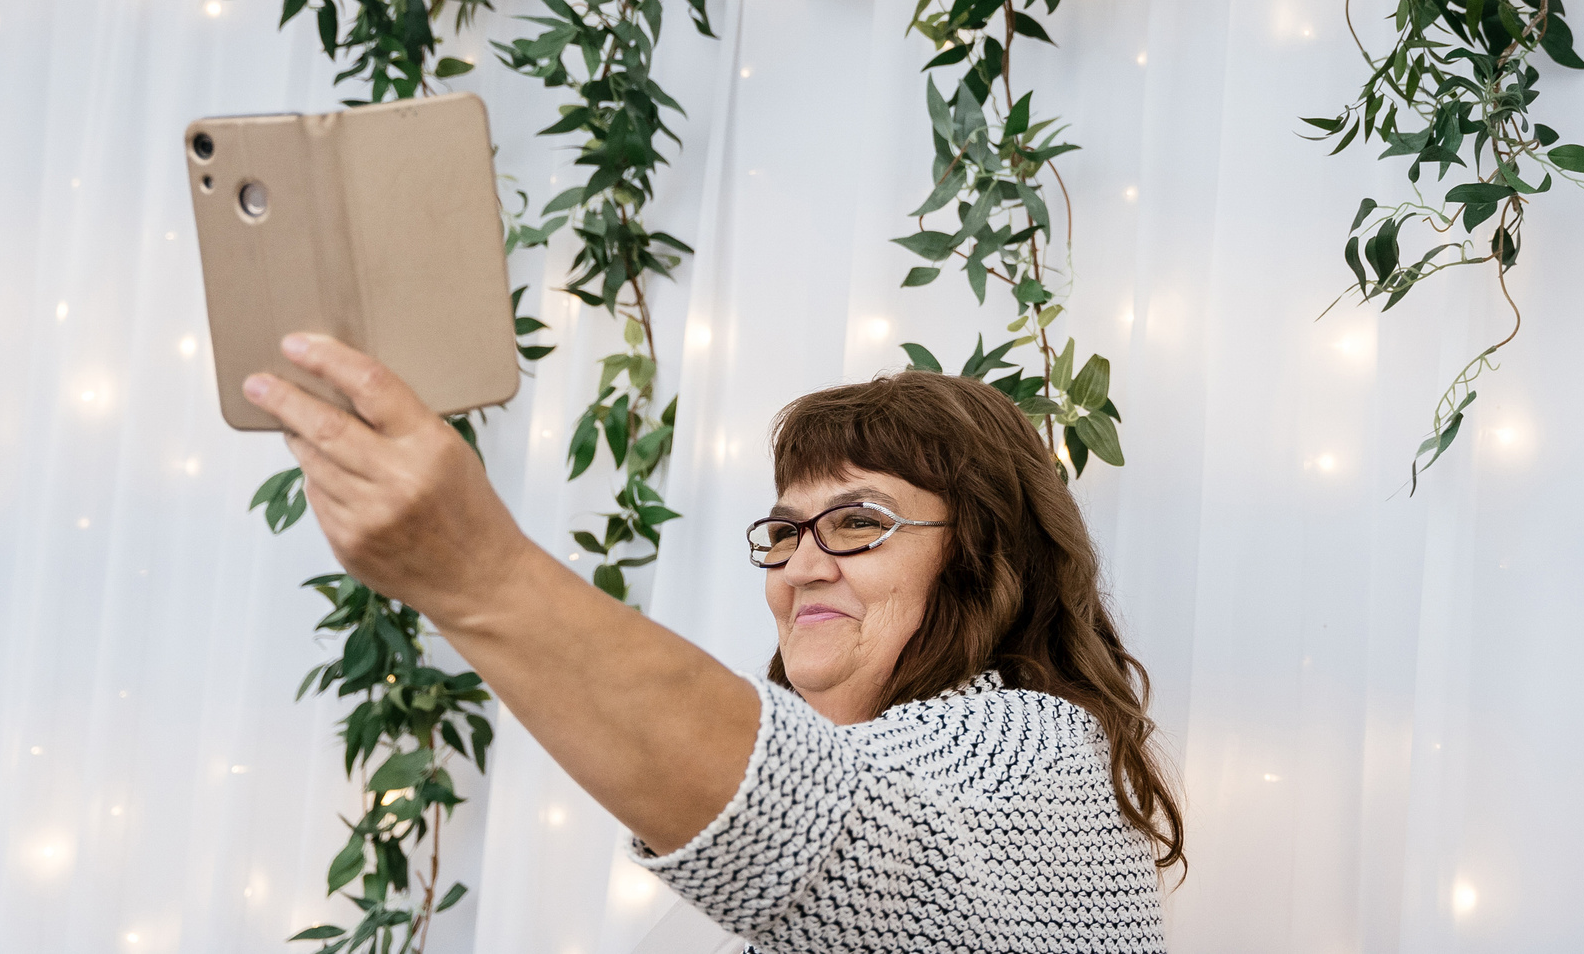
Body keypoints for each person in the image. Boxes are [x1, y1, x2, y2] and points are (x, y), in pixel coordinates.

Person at [244, 332, 1180, 952]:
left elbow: (808, 819)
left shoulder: (1034, 749)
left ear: (984, 557)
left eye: (857, 522)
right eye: (784, 530)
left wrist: (476, 572)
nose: (801, 566)